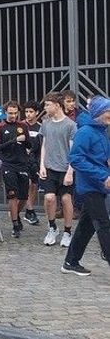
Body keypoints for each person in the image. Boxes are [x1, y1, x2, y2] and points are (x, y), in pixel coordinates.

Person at [61, 96, 110, 276]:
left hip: (100, 186)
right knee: (104, 225)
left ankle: (70, 262)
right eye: (108, 111)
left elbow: (102, 156)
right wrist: (103, 174)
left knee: (86, 225)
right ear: (98, 113)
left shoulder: (102, 131)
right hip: (89, 187)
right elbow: (75, 158)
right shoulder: (85, 132)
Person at [39, 92, 78, 247]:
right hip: (49, 167)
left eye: (47, 105)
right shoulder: (46, 123)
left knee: (66, 199)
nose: (45, 108)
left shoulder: (70, 125)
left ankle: (67, 231)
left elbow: (73, 151)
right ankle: (52, 227)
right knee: (49, 198)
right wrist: (42, 165)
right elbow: (44, 145)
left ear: (57, 105)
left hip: (64, 169)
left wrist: (70, 171)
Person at [0, 100, 32, 238]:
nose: (13, 116)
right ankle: (15, 224)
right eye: (10, 113)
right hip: (8, 164)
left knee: (23, 196)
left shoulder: (23, 126)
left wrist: (24, 141)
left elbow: (29, 144)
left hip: (22, 163)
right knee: (12, 195)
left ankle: (17, 215)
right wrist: (13, 140)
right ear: (5, 113)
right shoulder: (0, 127)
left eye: (15, 113)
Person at [22, 101, 42, 225]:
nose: (28, 114)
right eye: (26, 112)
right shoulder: (21, 125)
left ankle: (29, 211)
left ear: (37, 113)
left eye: (31, 112)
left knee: (34, 185)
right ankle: (30, 210)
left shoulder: (40, 127)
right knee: (27, 183)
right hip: (23, 159)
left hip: (35, 160)